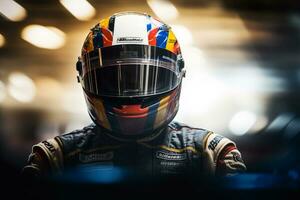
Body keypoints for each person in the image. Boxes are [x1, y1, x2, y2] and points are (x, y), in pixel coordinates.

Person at [22, 12, 246, 178]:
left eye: (148, 77)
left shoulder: (211, 152)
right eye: (112, 78)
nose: (130, 92)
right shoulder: (55, 156)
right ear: (84, 76)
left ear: (178, 75)